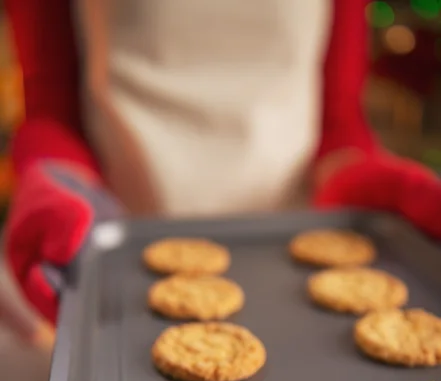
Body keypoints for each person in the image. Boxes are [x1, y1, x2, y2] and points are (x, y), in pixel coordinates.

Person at [3, 0, 441, 330]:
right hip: (121, 254)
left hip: (301, 253)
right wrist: (59, 181)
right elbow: (50, 109)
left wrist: (370, 182)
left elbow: (338, 120)